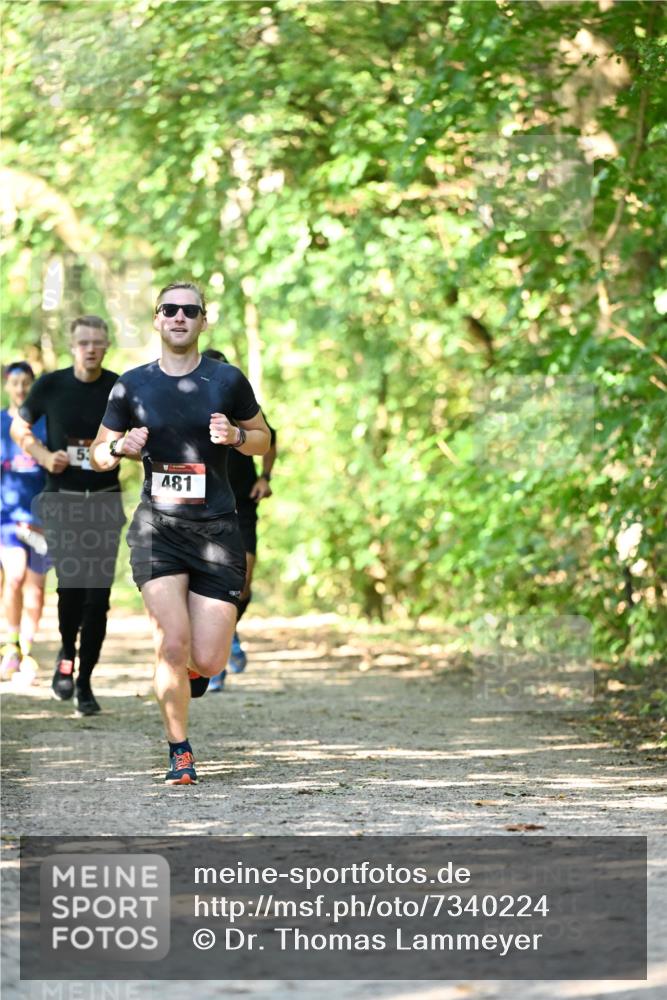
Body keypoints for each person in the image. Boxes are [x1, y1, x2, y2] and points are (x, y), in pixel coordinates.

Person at [89, 281, 270, 786]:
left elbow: (263, 439)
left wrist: (236, 436)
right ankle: (180, 752)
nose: (179, 317)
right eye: (170, 309)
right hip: (158, 529)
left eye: (190, 311)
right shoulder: (132, 385)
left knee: (207, 657)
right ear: (156, 319)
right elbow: (97, 455)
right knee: (172, 641)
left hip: (216, 530)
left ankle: (192, 674)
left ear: (203, 321)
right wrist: (122, 445)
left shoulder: (226, 380)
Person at [10, 316, 124, 716]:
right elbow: (19, 428)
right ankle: (65, 650)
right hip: (63, 500)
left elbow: (142, 433)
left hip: (106, 501)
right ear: (72, 345)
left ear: (107, 345)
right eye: (83, 343)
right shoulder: (51, 385)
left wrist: (121, 449)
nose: (90, 349)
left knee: (99, 598)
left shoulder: (119, 388)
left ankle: (85, 683)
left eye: (97, 342)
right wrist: (43, 455)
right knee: (72, 589)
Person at [201, 349, 277, 690]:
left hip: (242, 503)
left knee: (243, 579)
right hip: (202, 508)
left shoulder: (244, 408)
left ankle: (227, 632)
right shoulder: (190, 409)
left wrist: (266, 478)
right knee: (212, 584)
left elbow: (269, 439)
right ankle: (213, 660)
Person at [1, 361, 51, 683]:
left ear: (33, 386)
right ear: (7, 386)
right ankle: (11, 646)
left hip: (43, 522)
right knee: (15, 576)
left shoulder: (46, 425)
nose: (20, 388)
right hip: (7, 519)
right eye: (15, 382)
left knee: (36, 590)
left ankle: (28, 650)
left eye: (26, 383)